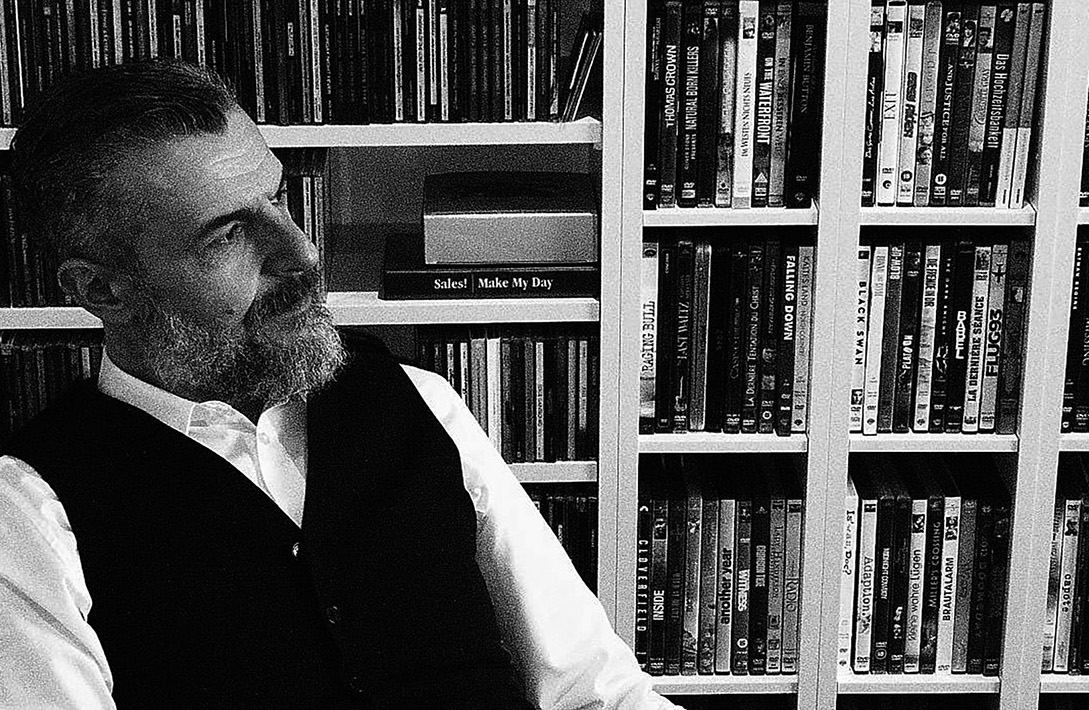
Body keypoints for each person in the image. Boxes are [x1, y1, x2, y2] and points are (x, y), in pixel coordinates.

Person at [0, 60, 678, 709]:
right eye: (226, 236)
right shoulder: (29, 511)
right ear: (102, 289)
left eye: (277, 199)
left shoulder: (417, 401)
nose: (302, 253)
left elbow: (595, 689)